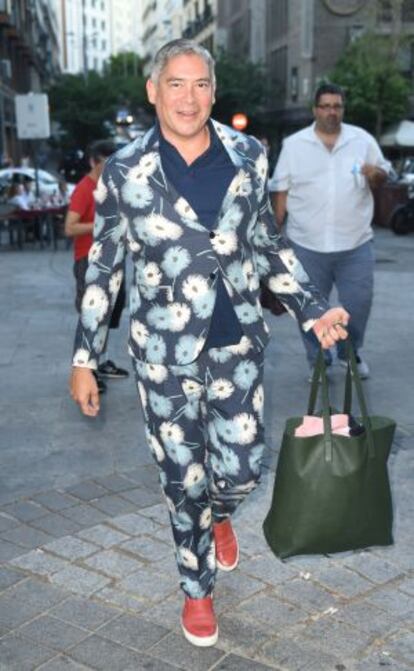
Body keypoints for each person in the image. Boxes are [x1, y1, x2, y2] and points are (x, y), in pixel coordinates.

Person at [69, 40, 349, 647]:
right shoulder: (122, 169)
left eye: (200, 84)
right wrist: (86, 357)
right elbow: (103, 266)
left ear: (213, 92)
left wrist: (312, 307)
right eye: (175, 83)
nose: (188, 97)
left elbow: (269, 244)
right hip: (160, 351)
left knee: (243, 467)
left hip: (236, 342)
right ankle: (196, 590)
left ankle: (220, 514)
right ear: (153, 90)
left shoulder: (249, 153)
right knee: (181, 478)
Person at [270, 82, 390, 380]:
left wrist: (376, 175)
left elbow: (382, 173)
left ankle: (351, 353)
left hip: (355, 244)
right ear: (315, 110)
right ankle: (319, 360)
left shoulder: (361, 140)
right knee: (310, 311)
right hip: (306, 244)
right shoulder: (294, 144)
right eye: (325, 106)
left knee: (358, 304)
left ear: (342, 109)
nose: (331, 112)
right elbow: (281, 191)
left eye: (337, 106)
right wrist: (274, 237)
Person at [65, 140, 129, 394]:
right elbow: (70, 227)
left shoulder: (110, 186)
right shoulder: (84, 189)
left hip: (112, 259)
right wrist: (103, 223)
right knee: (91, 316)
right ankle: (86, 371)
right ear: (93, 161)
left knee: (108, 316)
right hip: (89, 261)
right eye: (106, 163)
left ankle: (99, 364)